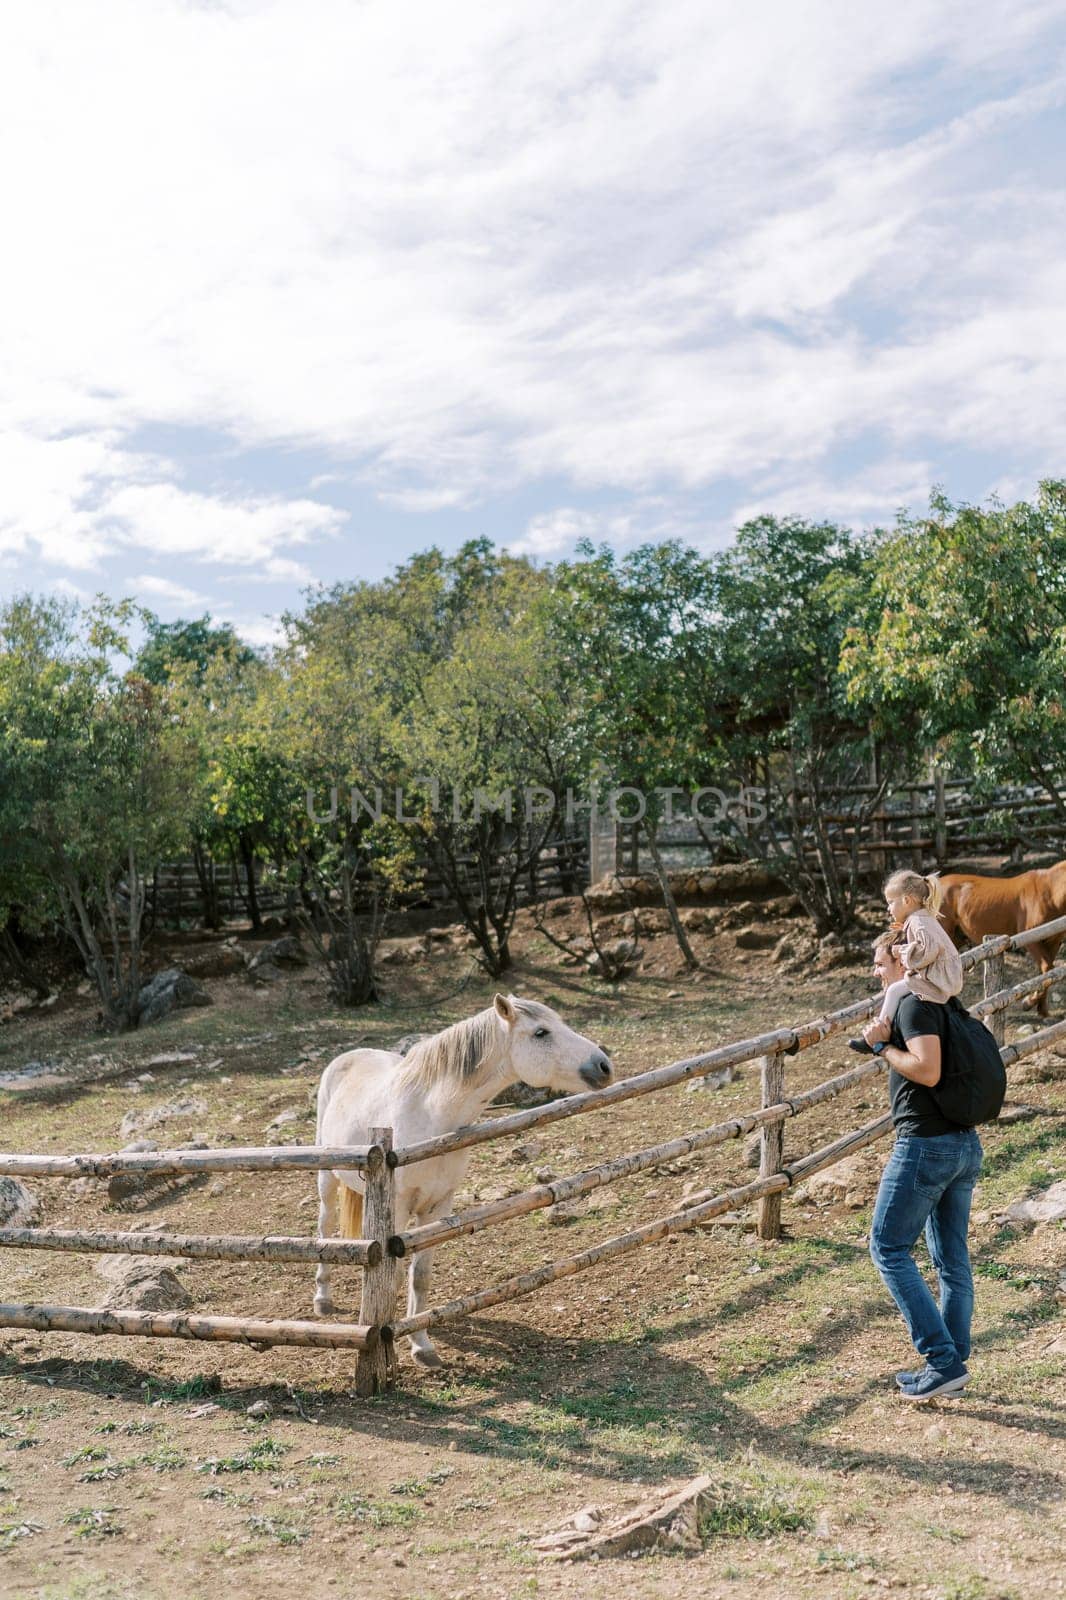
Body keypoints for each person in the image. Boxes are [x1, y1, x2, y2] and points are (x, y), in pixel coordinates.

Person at [863, 930, 983, 1400]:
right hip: (962, 1143)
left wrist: (882, 1049)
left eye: (878, 963)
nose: (875, 972)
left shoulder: (914, 1005)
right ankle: (953, 1364)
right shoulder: (942, 1003)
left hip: (926, 1146)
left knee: (888, 1248)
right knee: (950, 1258)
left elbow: (927, 1070)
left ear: (900, 959)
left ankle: (941, 1360)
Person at [850, 870, 963, 1056]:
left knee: (894, 991)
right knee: (897, 990)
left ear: (907, 901)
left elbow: (928, 951)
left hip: (938, 980)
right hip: (943, 977)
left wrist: (901, 951)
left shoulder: (918, 921)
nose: (888, 909)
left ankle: (878, 1034)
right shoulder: (921, 918)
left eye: (890, 903)